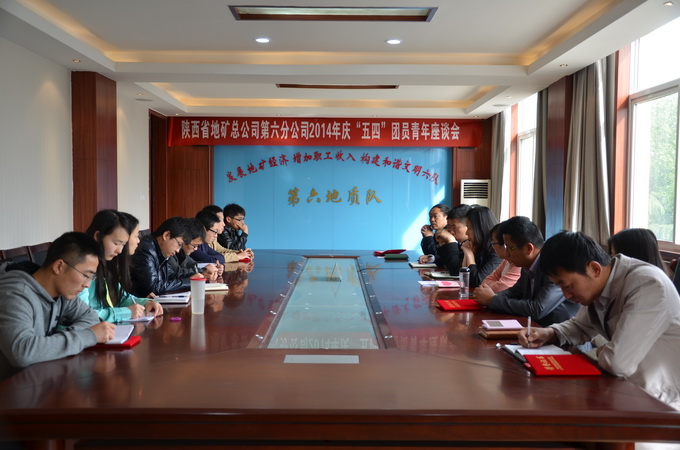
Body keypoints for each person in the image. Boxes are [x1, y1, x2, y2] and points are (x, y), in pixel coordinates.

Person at [519, 231, 680, 410]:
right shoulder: (603, 283)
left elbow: (617, 363)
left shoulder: (647, 284)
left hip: (660, 401)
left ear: (594, 269)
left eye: (568, 285)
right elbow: (580, 326)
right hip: (624, 389)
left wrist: (603, 350)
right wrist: (548, 333)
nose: (566, 295)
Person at [0, 232, 116, 379]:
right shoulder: (14, 294)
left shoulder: (62, 293)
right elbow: (22, 352)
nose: (87, 284)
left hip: (40, 379)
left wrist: (55, 342)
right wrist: (88, 336)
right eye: (86, 275)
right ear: (59, 266)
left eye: (91, 277)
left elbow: (91, 317)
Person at [472, 216, 579, 326]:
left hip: (558, 332)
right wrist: (488, 298)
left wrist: (492, 300)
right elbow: (514, 292)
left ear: (529, 248)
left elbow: (538, 309)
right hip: (534, 327)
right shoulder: (527, 264)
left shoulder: (553, 267)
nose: (507, 253)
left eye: (510, 248)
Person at [79, 210, 163, 322]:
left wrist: (147, 303)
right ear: (98, 236)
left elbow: (122, 298)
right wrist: (125, 312)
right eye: (116, 243)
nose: (119, 250)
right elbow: (83, 316)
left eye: (123, 244)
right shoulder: (81, 268)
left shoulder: (105, 265)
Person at [437, 206, 501, 286]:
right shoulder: (476, 246)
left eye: (469, 228)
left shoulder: (496, 250)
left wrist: (469, 255)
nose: (467, 233)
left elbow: (478, 281)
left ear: (480, 228)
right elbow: (461, 274)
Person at [131, 217, 190, 296]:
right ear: (166, 235)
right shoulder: (146, 250)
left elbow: (171, 275)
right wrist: (188, 282)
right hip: (141, 301)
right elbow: (154, 287)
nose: (178, 250)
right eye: (179, 244)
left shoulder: (160, 249)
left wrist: (197, 276)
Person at [476, 222, 522, 292]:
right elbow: (484, 283)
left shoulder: (519, 264)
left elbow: (501, 288)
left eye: (493, 243)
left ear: (505, 245)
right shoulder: (506, 261)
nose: (492, 247)